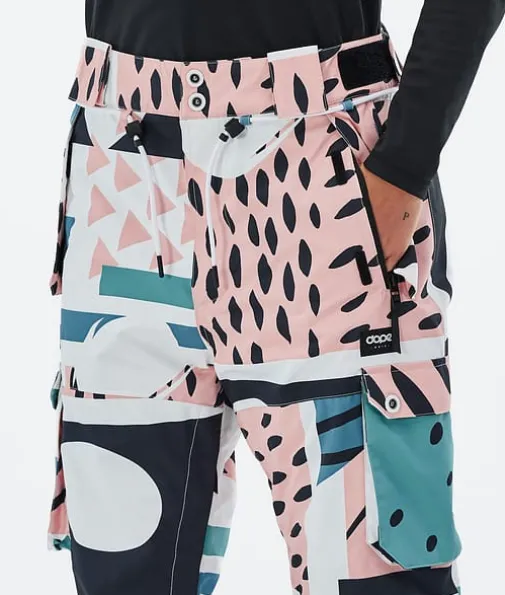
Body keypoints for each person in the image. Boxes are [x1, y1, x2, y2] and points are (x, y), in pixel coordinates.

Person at [46, 1, 504, 594]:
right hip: (122, 163)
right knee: (124, 561)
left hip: (318, 158)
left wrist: (405, 165)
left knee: (371, 575)